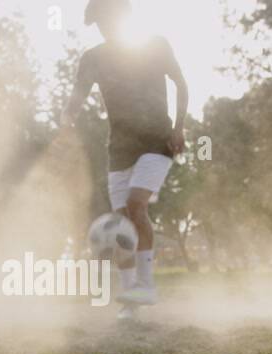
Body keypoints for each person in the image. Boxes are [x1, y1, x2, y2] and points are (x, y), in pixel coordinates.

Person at [60, 0, 188, 319]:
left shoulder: (155, 45)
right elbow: (76, 97)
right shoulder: (93, 58)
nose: (105, 27)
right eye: (99, 23)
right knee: (120, 226)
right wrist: (67, 118)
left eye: (108, 18)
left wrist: (179, 127)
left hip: (158, 141)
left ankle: (146, 285)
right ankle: (131, 301)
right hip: (119, 149)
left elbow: (181, 84)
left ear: (124, 16)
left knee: (135, 206)